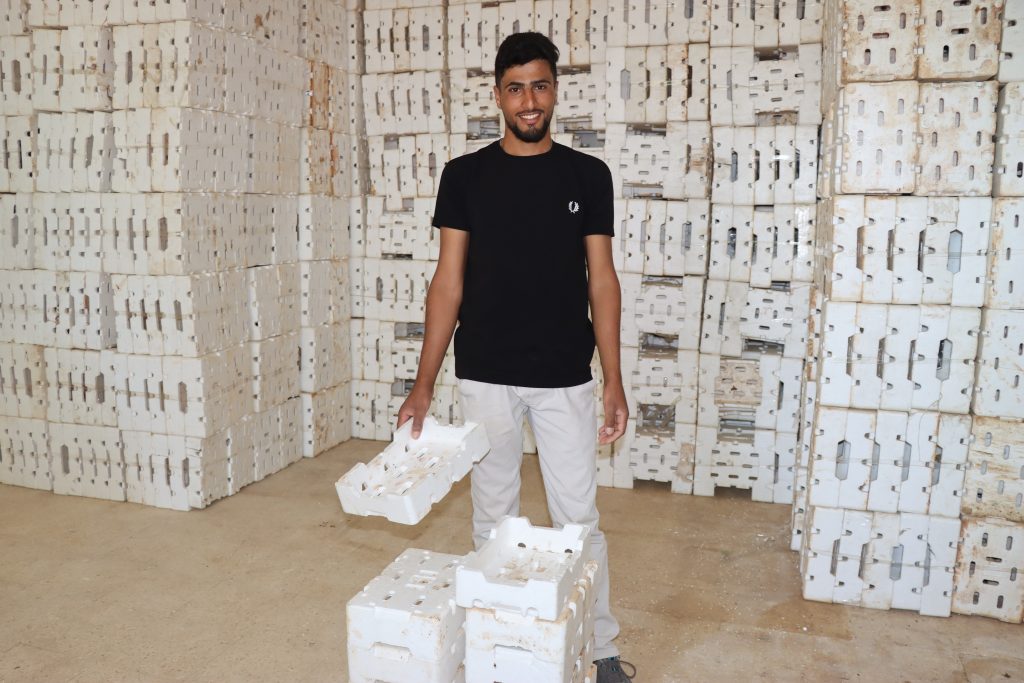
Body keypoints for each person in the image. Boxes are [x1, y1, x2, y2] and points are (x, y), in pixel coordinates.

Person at [396, 32, 635, 683]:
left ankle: (600, 644)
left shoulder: (588, 175)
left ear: (555, 89)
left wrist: (614, 378)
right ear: (497, 94)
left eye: (539, 85)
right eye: (515, 88)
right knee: (493, 516)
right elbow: (448, 281)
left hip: (564, 375)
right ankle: (494, 638)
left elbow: (602, 280)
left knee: (578, 516)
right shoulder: (464, 176)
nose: (528, 101)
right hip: (485, 372)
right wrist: (422, 385)